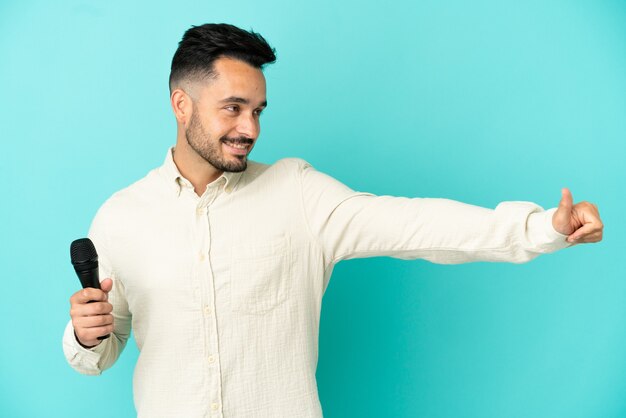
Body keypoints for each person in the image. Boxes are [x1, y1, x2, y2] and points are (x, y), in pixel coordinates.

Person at [63, 23, 603, 418]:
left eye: (258, 110)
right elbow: (101, 351)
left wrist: (541, 228)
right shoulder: (121, 217)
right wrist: (86, 337)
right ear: (182, 104)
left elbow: (415, 224)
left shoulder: (296, 192)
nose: (250, 128)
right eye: (232, 107)